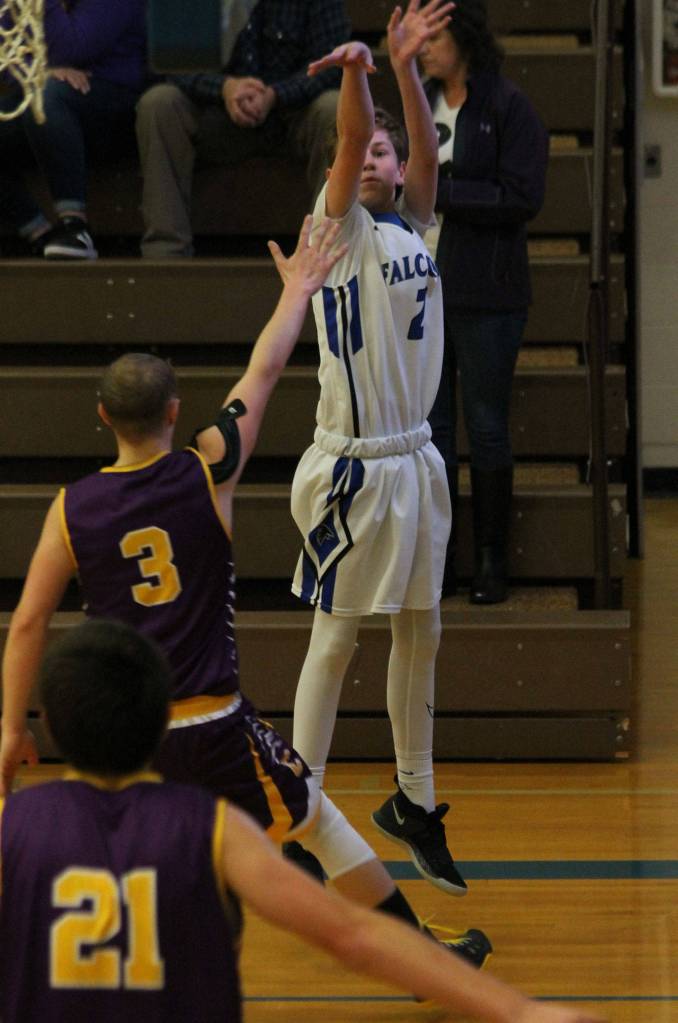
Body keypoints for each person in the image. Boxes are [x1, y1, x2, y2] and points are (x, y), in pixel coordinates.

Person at [0, 215, 491, 970]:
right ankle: (423, 962)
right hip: (214, 720)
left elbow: (29, 620)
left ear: (102, 418)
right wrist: (299, 286)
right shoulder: (209, 467)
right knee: (318, 820)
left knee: (115, 844)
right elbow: (262, 371)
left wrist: (12, 726)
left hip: (127, 731)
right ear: (173, 412)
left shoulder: (72, 508)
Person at [0, 619, 606, 1023]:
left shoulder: (14, 825)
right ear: (163, 718)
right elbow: (355, 936)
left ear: (48, 719)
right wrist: (519, 1011)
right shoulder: (213, 829)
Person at [287, 1, 466, 897]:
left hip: (416, 459)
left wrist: (403, 67)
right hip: (353, 464)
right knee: (336, 636)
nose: (371, 162)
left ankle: (414, 798)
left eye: (385, 157)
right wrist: (362, 72)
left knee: (421, 629)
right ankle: (300, 799)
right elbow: (355, 134)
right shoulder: (339, 228)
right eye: (361, 156)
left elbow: (429, 153)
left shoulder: (415, 224)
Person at [421, 0, 549, 603]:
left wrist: (442, 192)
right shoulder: (420, 100)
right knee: (435, 431)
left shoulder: (507, 105)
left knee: (488, 427)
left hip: (489, 292)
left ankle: (493, 562)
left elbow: (523, 196)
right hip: (423, 292)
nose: (424, 46)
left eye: (434, 36)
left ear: (463, 38)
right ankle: (443, 558)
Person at [135, 0, 351, 258]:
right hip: (214, 113)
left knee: (335, 107)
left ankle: (325, 253)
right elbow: (168, 62)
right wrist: (224, 88)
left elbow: (331, 63)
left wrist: (274, 95)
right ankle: (166, 253)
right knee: (159, 103)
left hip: (293, 114)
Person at [0, 0, 147, 259]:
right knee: (42, 94)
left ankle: (75, 227)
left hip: (114, 97)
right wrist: (41, 70)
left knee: (46, 98)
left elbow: (74, 47)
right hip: (52, 89)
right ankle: (39, 233)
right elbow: (6, 51)